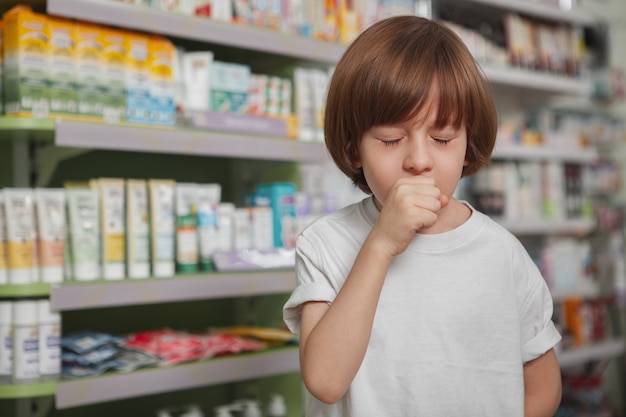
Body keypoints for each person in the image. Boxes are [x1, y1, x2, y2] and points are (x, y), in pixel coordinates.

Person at [283, 15, 562, 417]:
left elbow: (542, 389)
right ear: (353, 148)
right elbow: (326, 382)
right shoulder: (325, 244)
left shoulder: (502, 253)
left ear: (468, 146)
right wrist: (380, 244)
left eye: (443, 139)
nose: (418, 160)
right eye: (391, 139)